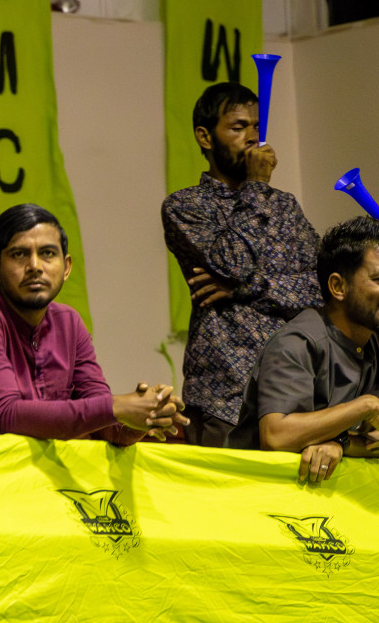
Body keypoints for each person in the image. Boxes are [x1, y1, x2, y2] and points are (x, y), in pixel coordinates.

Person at [0, 203, 187, 444]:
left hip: (47, 482)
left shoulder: (69, 322)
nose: (35, 267)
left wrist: (145, 419)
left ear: (66, 267)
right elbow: (6, 416)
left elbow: (106, 429)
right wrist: (115, 406)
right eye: (19, 254)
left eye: (47, 253)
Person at [162, 81, 320, 447]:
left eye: (256, 127)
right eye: (237, 127)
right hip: (225, 396)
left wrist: (247, 290)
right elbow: (232, 262)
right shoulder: (185, 206)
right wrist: (257, 186)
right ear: (205, 137)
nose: (251, 137)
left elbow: (323, 287)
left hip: (296, 391)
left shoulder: (284, 206)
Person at [228, 217, 379, 483]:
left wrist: (340, 444)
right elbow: (277, 436)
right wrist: (365, 406)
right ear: (338, 286)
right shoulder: (296, 343)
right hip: (254, 494)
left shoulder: (373, 343)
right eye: (378, 279)